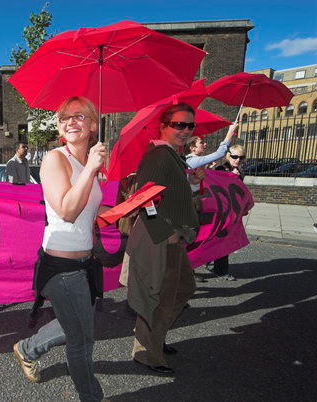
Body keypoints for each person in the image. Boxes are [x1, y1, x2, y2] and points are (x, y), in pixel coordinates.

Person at [13, 96, 107, 402]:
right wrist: (92, 169)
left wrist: (126, 208)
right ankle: (92, 396)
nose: (70, 122)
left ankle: (27, 349)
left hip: (86, 263)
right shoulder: (56, 159)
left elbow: (87, 215)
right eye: (64, 117)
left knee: (79, 323)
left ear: (93, 124)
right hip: (61, 268)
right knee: (81, 339)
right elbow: (67, 210)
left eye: (79, 116)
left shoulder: (87, 164)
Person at [122, 102, 204, 374]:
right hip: (161, 237)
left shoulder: (172, 156)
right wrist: (164, 232)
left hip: (173, 236)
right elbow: (143, 199)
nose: (186, 130)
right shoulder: (159, 155)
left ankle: (151, 339)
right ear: (164, 126)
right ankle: (148, 352)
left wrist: (192, 183)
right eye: (179, 124)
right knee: (161, 296)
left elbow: (169, 195)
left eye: (190, 125)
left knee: (182, 289)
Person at [212, 144, 247, 281]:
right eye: (234, 156)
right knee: (217, 240)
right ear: (228, 156)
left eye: (241, 157)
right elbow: (218, 188)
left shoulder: (239, 170)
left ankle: (217, 267)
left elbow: (239, 192)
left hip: (232, 211)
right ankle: (220, 270)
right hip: (220, 211)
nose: (237, 160)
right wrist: (232, 176)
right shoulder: (221, 169)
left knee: (224, 241)